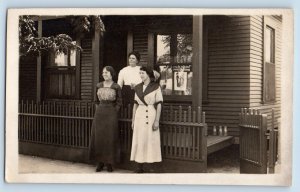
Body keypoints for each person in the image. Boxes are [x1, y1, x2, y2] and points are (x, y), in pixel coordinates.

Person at [89, 66, 122, 172]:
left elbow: (119, 102)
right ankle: (99, 163)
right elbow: (95, 101)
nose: (104, 74)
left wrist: (114, 111)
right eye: (103, 72)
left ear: (112, 74)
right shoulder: (98, 85)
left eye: (107, 72)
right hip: (99, 113)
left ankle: (109, 163)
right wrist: (98, 110)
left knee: (110, 137)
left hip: (111, 113)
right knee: (99, 137)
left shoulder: (116, 86)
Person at [130, 66, 163, 173]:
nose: (141, 75)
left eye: (142, 73)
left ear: (148, 74)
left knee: (151, 139)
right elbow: (135, 105)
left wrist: (157, 120)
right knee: (140, 139)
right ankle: (139, 166)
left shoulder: (156, 87)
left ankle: (151, 167)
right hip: (140, 114)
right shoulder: (138, 87)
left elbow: (159, 104)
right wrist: (133, 120)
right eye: (140, 73)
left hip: (151, 113)